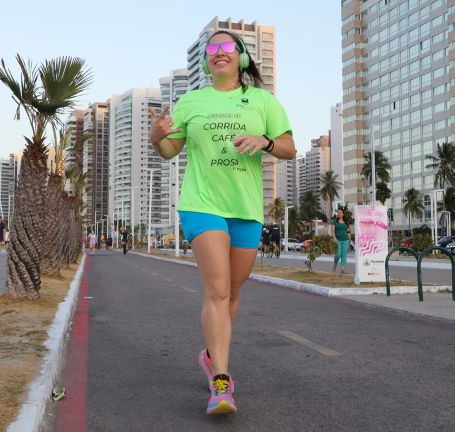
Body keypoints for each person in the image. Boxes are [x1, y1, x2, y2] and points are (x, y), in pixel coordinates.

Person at [150, 30, 295, 415]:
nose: (219, 53)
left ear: (241, 57)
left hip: (246, 209)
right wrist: (155, 136)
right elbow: (168, 152)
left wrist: (263, 141)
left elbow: (289, 148)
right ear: (206, 60)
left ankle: (211, 355)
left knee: (232, 293)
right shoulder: (191, 101)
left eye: (227, 47)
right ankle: (222, 384)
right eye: (212, 49)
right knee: (216, 291)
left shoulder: (262, 101)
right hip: (202, 203)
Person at [331, 209, 351, 273]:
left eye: (340, 212)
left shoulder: (346, 222)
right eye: (338, 212)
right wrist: (334, 238)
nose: (339, 213)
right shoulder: (334, 221)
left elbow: (348, 232)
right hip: (338, 240)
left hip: (346, 240)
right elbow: (333, 231)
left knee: (344, 255)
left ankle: (342, 269)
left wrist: (350, 241)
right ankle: (335, 264)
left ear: (343, 214)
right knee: (338, 254)